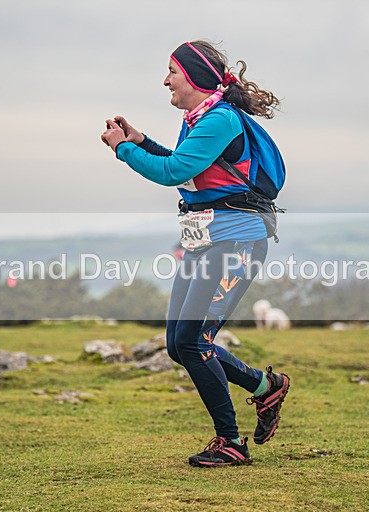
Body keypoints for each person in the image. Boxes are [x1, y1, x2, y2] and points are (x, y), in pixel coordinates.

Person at [100, 40, 290, 468]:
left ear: (194, 77)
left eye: (171, 71)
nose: (164, 79)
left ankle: (231, 442)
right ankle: (265, 387)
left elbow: (172, 173)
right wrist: (141, 140)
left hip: (236, 242)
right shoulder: (198, 119)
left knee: (193, 340)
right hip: (206, 242)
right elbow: (184, 162)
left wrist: (122, 148)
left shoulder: (219, 119)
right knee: (177, 343)